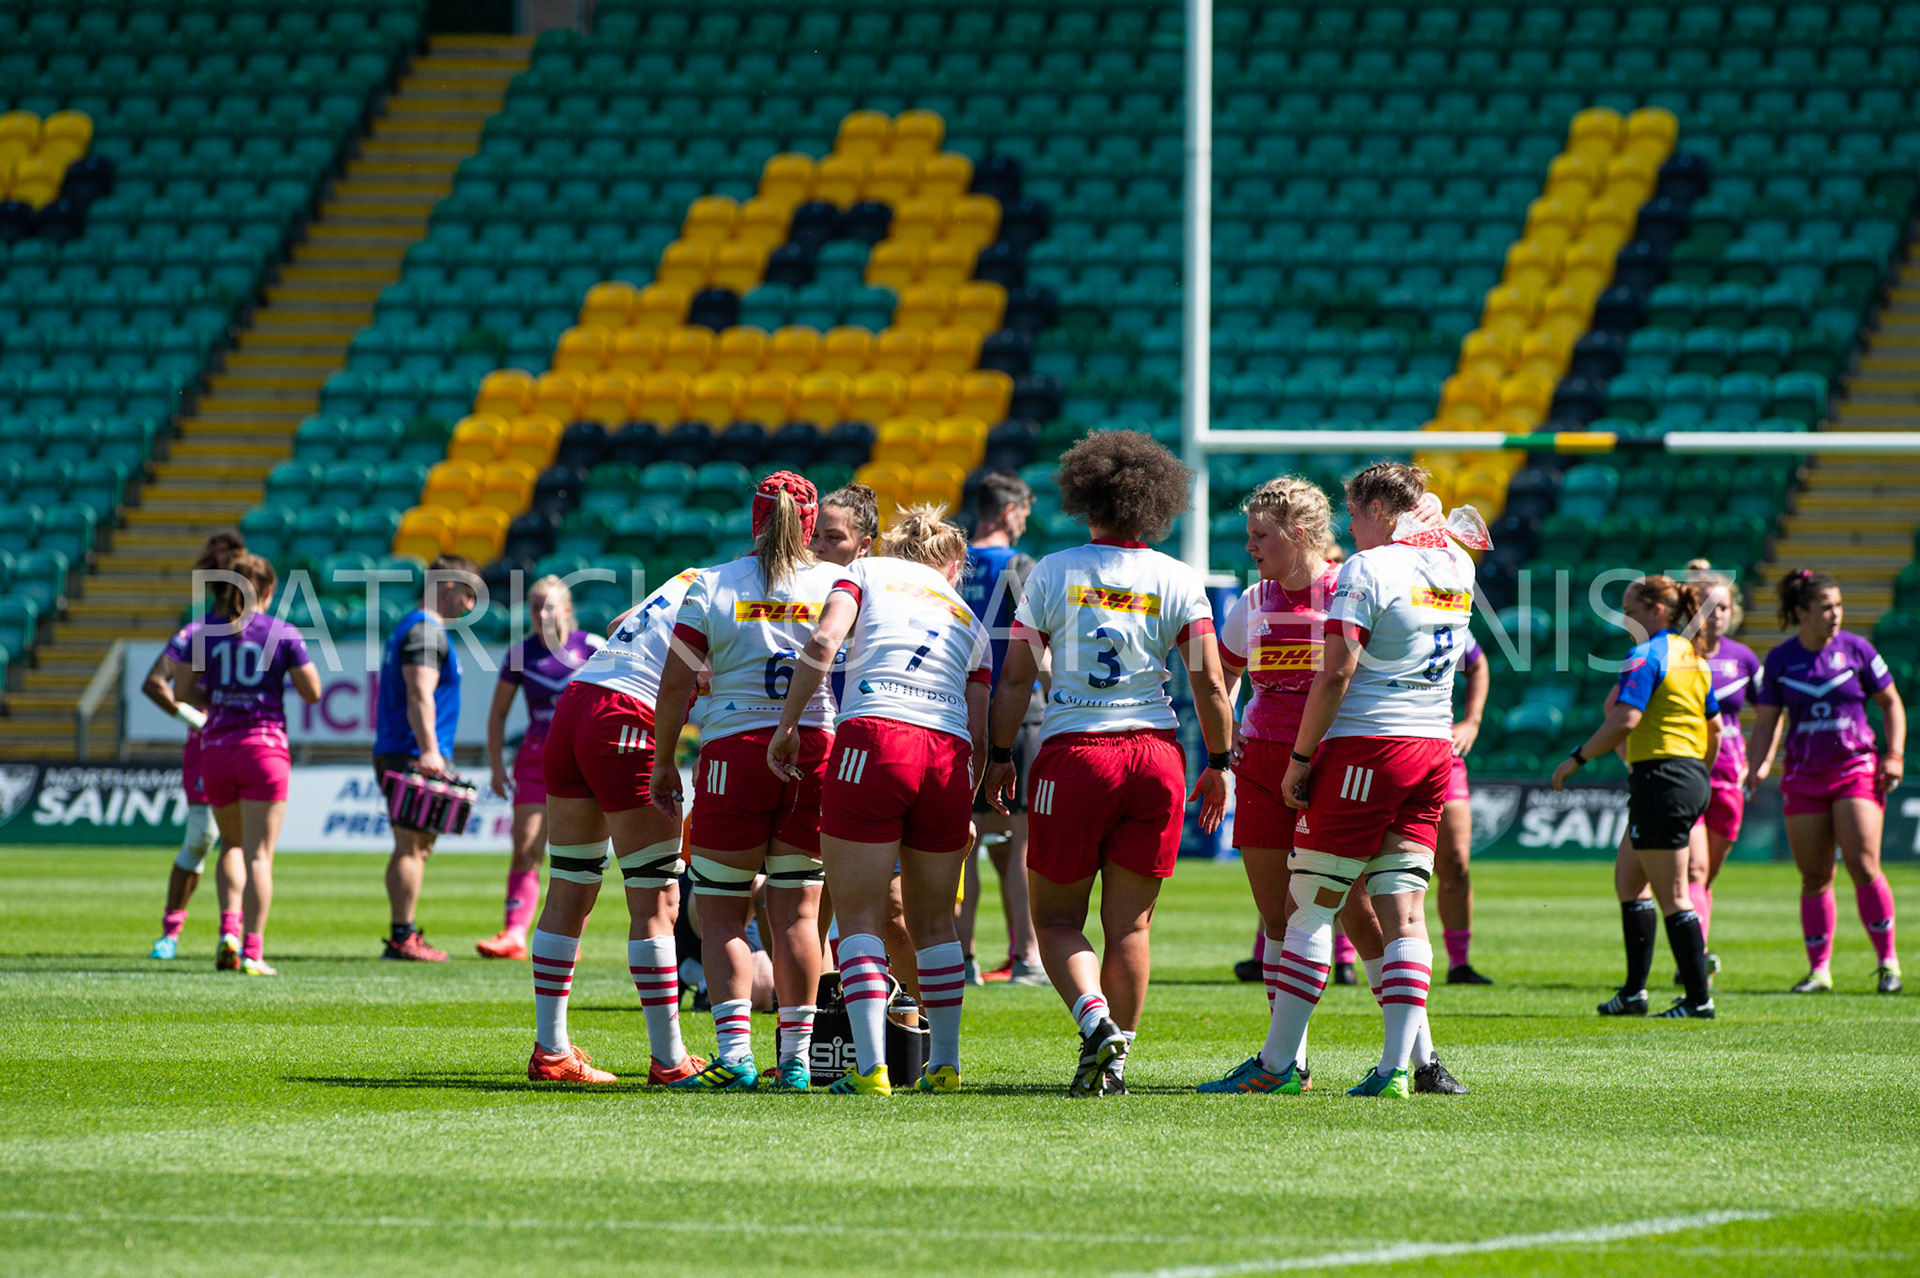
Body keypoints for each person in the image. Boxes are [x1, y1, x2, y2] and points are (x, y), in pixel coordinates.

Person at [982, 431, 1234, 1097]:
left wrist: (1001, 755)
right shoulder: (1178, 577)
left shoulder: (1052, 570)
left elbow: (1013, 681)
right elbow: (1209, 683)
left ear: (1084, 494)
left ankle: (1094, 1021)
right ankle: (1114, 1065)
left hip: (1074, 755)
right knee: (1131, 925)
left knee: (1057, 920)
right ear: (1156, 502)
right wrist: (1222, 761)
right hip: (1155, 755)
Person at [1199, 475, 1465, 1097]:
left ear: (1300, 534)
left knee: (1350, 910)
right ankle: (1298, 1060)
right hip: (1269, 763)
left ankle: (1414, 1057)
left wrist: (1302, 753)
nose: (1250, 547)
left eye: (1261, 535)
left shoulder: (1354, 578)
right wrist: (1230, 732)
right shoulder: (1255, 600)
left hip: (1334, 761)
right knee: (1279, 916)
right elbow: (1226, 672)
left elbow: (1345, 671)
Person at [1268, 464, 1486, 1098]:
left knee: (1309, 903)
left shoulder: (1370, 568)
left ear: (1382, 512)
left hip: (1370, 745)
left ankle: (1277, 1066)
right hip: (1432, 748)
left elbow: (1336, 673)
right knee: (1403, 908)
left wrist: (1302, 758)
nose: (1352, 526)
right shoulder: (1457, 566)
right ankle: (1397, 1070)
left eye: (1356, 513)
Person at [769, 504, 992, 1095]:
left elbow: (823, 639)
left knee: (860, 914)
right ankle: (945, 1065)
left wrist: (788, 725)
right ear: (954, 563)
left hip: (876, 735)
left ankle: (871, 1072)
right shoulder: (970, 617)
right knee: (937, 922)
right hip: (948, 751)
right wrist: (966, 802)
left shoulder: (867, 573)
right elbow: (982, 727)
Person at [650, 472, 841, 1091]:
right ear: (811, 525)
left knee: (724, 911)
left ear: (753, 519)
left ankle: (734, 1057)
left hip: (734, 748)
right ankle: (795, 1061)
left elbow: (677, 685)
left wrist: (660, 761)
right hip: (814, 746)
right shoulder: (837, 585)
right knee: (799, 914)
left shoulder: (711, 584)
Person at [522, 566, 710, 1084]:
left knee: (570, 883)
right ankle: (670, 1061)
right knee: (657, 898)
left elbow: (619, 623)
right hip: (628, 713)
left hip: (578, 699)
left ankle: (552, 1051)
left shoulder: (695, 575)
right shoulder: (759, 593)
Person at [1554, 575, 1721, 1019]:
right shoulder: (1695, 657)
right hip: (1685, 775)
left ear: (1657, 611)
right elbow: (1715, 729)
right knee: (1630, 881)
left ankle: (1698, 1000)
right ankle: (1633, 994)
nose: (1625, 619)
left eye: (1630, 610)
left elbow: (1625, 720)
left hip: (1661, 778)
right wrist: (1697, 774)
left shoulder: (1644, 655)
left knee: (1674, 896)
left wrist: (1577, 758)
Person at [1748, 569, 1905, 995]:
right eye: (1826, 608)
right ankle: (1819, 970)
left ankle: (1888, 962)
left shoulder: (1858, 649)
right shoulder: (1780, 659)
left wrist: (1893, 755)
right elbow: (1765, 722)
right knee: (1814, 875)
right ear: (1801, 613)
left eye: (1838, 606)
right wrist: (1757, 765)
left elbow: (1892, 703)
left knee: (1863, 863)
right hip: (1802, 775)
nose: (1835, 614)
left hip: (1854, 769)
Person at [179, 554, 321, 976]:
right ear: (269, 591)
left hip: (218, 747)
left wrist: (221, 697)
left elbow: (184, 690)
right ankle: (254, 951)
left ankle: (228, 931)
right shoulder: (282, 632)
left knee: (231, 845)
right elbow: (312, 691)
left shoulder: (206, 633)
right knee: (260, 854)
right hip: (264, 748)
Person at [477, 576, 603, 961]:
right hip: (536, 758)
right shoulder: (519, 654)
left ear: (567, 609)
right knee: (527, 847)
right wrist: (497, 767)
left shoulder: (594, 647)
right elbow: (498, 715)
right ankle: (514, 933)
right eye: (534, 606)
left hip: (584, 759)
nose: (540, 613)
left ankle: (570, 937)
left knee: (580, 854)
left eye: (548, 605)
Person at [957, 471, 1046, 986]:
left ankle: (961, 957)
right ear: (1010, 513)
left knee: (960, 840)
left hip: (957, 712)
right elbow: (1042, 643)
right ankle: (1027, 957)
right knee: (1018, 844)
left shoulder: (952, 563)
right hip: (1015, 710)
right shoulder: (1020, 565)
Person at [143, 530, 247, 962]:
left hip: (252, 747)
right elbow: (154, 683)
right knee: (204, 837)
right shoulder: (197, 632)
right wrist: (197, 718)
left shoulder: (260, 632)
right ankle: (171, 932)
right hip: (209, 748)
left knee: (238, 841)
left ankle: (233, 934)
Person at [372, 553, 478, 962]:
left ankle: (404, 931)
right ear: (448, 587)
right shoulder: (426, 632)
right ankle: (402, 936)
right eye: (467, 595)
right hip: (412, 751)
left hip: (404, 748)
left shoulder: (412, 626)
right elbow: (419, 695)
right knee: (411, 846)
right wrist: (430, 750)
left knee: (415, 846)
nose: (469, 607)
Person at [1686, 559, 1762, 975]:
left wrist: (1762, 758)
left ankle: (1694, 944)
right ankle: (1694, 960)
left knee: (1706, 876)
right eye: (1706, 607)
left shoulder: (1744, 659)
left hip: (1729, 775)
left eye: (1722, 608)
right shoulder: (1675, 651)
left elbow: (1769, 711)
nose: (1715, 616)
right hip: (1685, 772)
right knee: (1695, 869)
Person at [1438, 638, 1492, 984]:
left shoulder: (1440, 604)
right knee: (1354, 861)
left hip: (1442, 752)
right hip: (1371, 744)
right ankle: (1344, 957)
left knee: (1456, 862)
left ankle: (1459, 963)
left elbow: (1477, 664)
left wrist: (1472, 720)